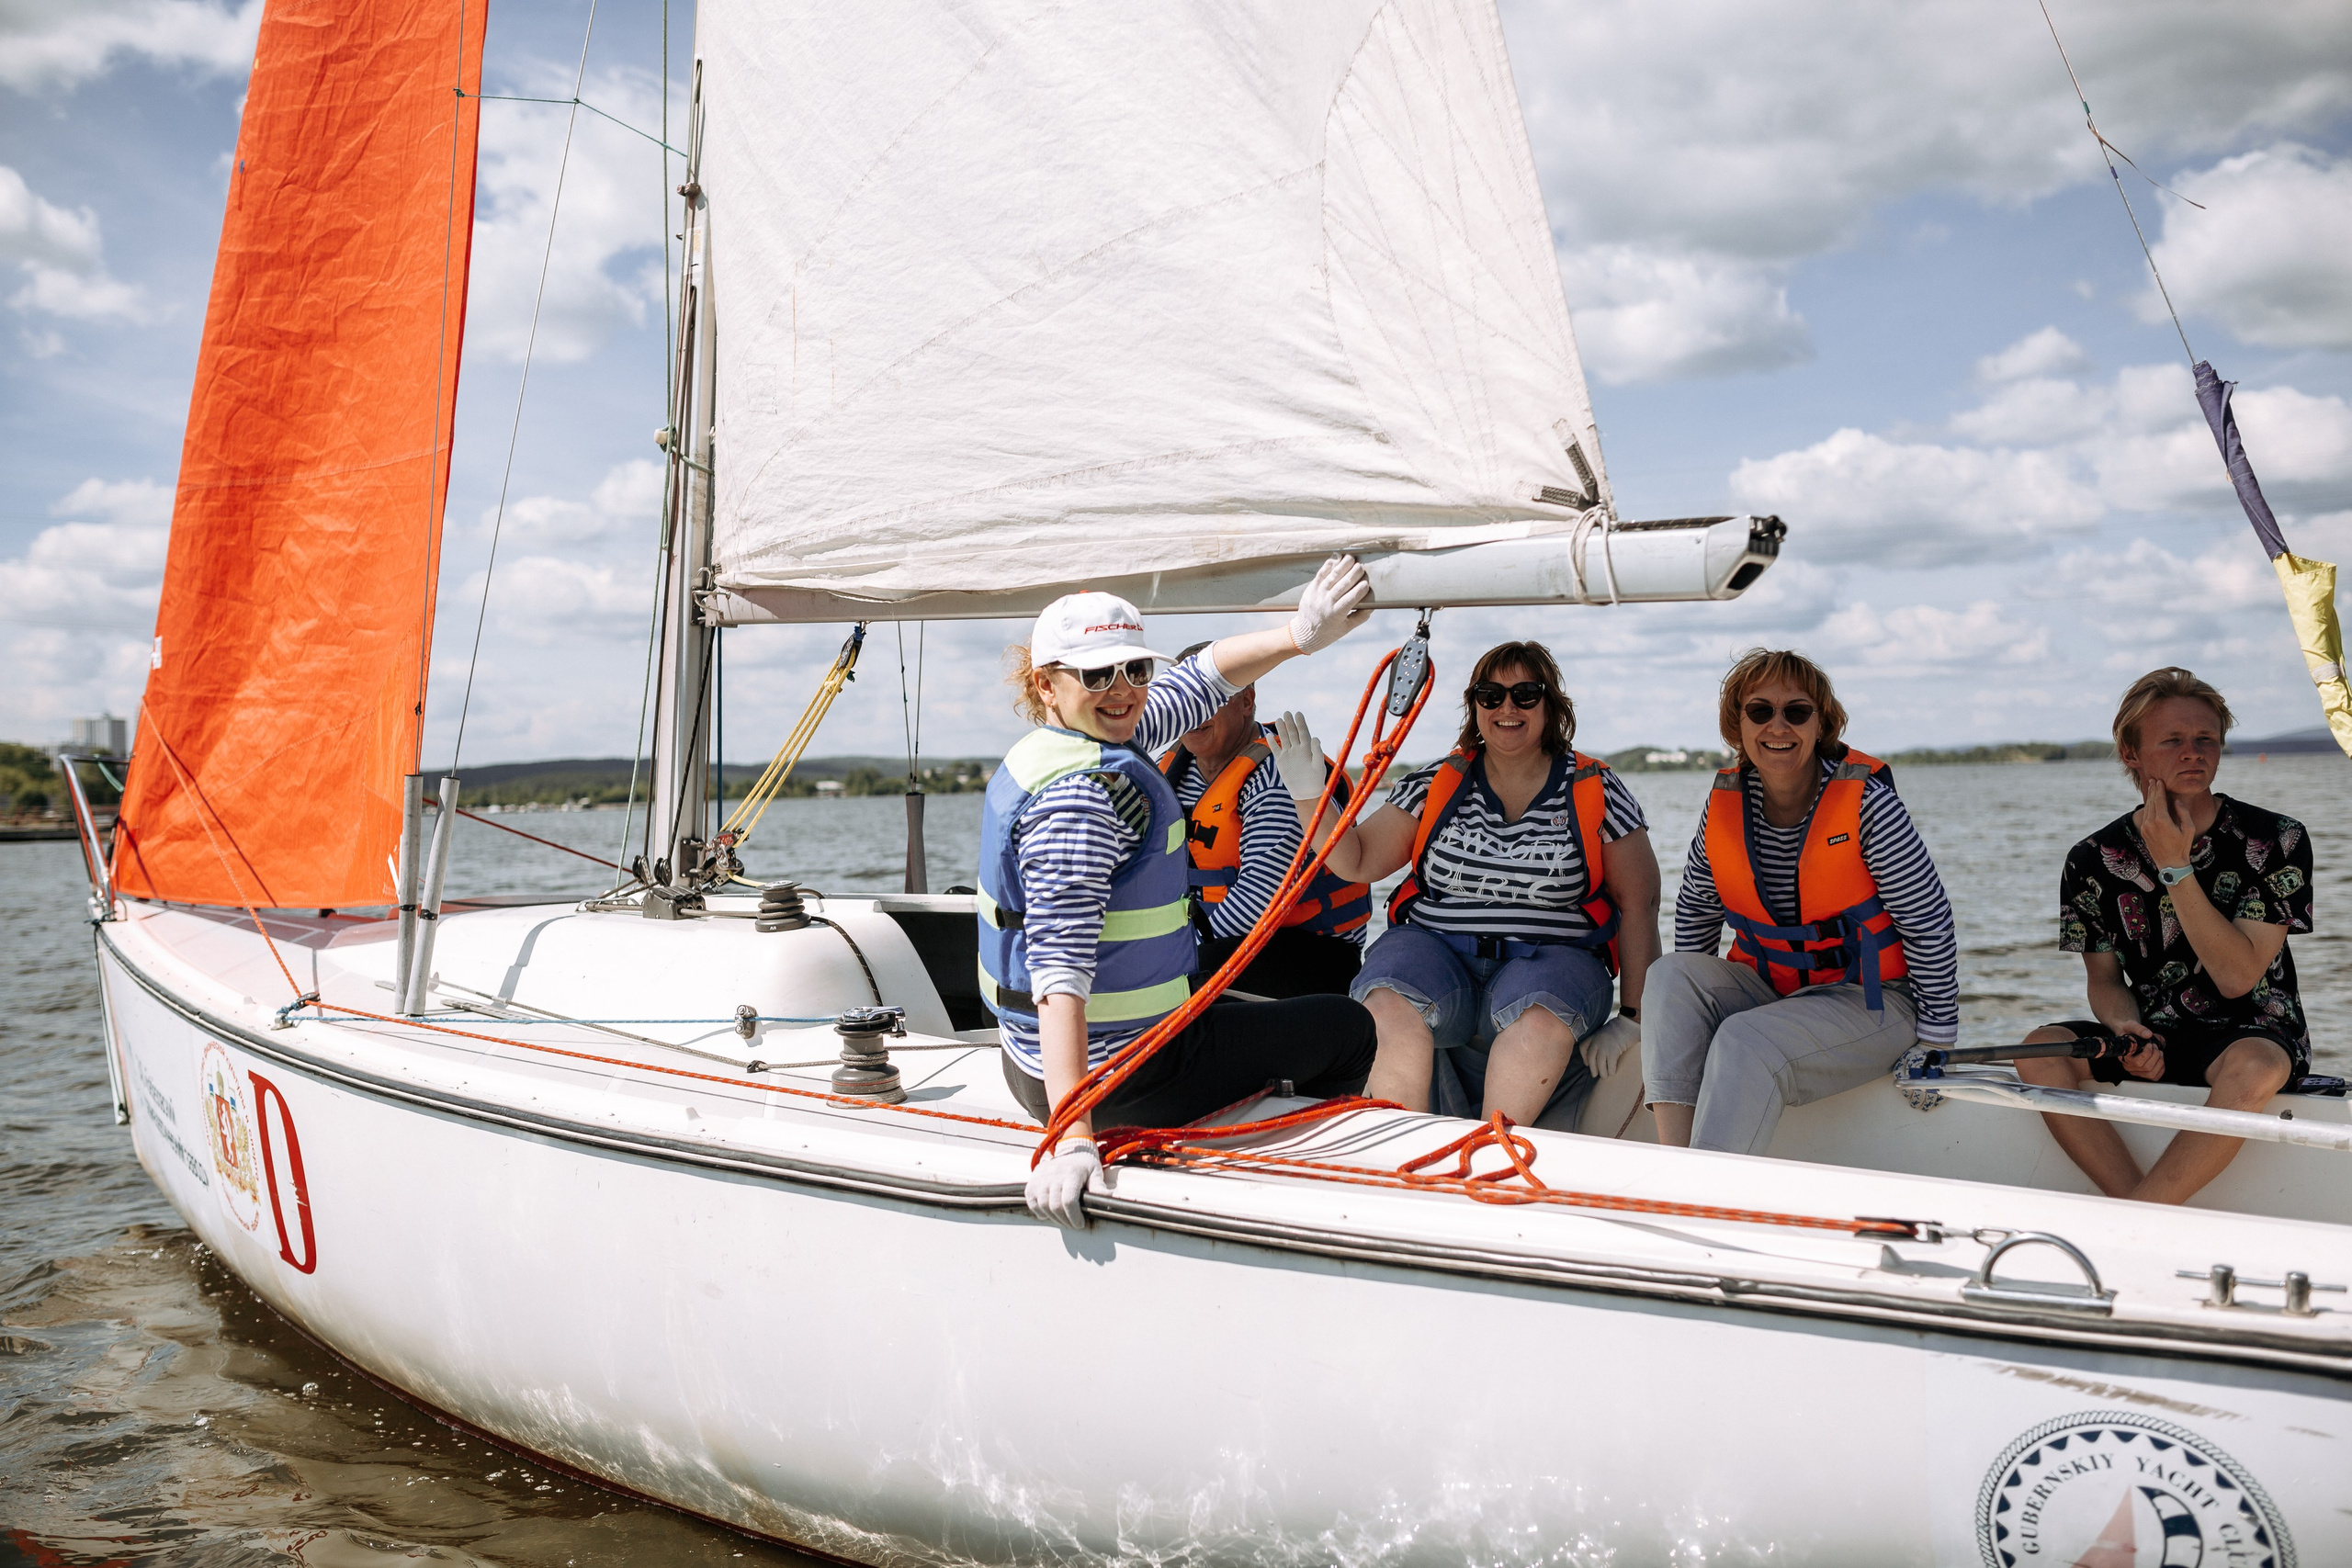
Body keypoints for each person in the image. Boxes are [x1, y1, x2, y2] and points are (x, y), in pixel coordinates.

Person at [982, 558, 1382, 1228]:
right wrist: (1074, 1137)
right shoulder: (1081, 800)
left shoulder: (1079, 738)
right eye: (1098, 674)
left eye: (1136, 670)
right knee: (1349, 1029)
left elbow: (1204, 680)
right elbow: (1059, 974)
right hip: (1121, 1075)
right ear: (1046, 684)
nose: (1124, 689)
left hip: (1031, 1060)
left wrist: (1298, 633)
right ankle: (1287, 1193)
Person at [1312, 640, 1658, 1125]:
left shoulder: (1595, 787)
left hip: (1553, 963)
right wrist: (1311, 795)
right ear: (1474, 706)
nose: (1507, 708)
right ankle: (1399, 1152)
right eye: (1491, 695)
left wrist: (1632, 1019)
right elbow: (1359, 860)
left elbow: (1639, 903)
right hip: (1436, 957)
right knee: (1386, 999)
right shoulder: (1434, 781)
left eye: (1525, 694)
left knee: (1539, 1017)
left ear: (1550, 705)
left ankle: (1491, 1151)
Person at [2012, 668, 2311, 1205]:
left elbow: (2239, 977)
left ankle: (2142, 1214)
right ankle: (2139, 1205)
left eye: (2206, 740)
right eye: (2172, 740)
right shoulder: (2092, 858)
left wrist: (2175, 866)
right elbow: (2103, 979)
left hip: (2252, 1033)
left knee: (2257, 1067)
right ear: (2131, 753)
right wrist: (2125, 1027)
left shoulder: (2277, 838)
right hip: (2153, 1035)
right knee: (2039, 1050)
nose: (2193, 753)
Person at [1642, 649, 1958, 1154]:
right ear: (1737, 726)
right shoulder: (1724, 802)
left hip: (1873, 1001)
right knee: (1668, 976)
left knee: (1743, 1040)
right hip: (1773, 991)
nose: (1778, 726)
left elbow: (1927, 922)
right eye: (1761, 711)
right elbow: (1699, 907)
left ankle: (1709, 1192)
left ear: (1821, 723)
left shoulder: (1869, 805)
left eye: (1797, 711)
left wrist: (1939, 1038)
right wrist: (1689, 1024)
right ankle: (1679, 1166)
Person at [1156, 640, 1371, 999]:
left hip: (1310, 952)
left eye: (1207, 695)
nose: (1192, 710)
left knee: (1168, 982)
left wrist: (1167, 954)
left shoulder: (1278, 778)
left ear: (1246, 701)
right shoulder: (1170, 771)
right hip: (1216, 941)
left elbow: (1258, 900)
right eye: (1181, 697)